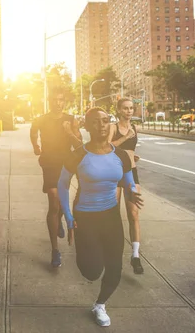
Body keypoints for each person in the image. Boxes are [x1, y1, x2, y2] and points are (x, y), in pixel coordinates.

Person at [58, 107, 143, 327]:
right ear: (87, 126)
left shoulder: (121, 155)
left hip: (111, 215)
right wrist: (68, 218)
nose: (102, 126)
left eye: (106, 121)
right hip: (85, 217)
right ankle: (88, 257)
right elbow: (62, 185)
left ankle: (100, 304)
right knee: (92, 271)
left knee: (115, 267)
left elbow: (127, 180)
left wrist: (132, 191)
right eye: (96, 122)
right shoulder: (78, 154)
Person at [30, 89, 82, 268]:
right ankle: (55, 250)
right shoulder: (42, 119)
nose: (57, 103)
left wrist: (69, 131)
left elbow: (79, 143)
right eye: (55, 99)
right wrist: (36, 146)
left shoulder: (71, 119)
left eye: (61, 100)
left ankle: (59, 218)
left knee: (60, 203)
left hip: (66, 164)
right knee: (54, 200)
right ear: (50, 101)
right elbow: (33, 131)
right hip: (50, 163)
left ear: (64, 102)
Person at [108, 97, 144, 274]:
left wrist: (132, 156)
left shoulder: (134, 128)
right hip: (114, 173)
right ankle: (111, 252)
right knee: (112, 214)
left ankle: (135, 256)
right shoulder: (113, 128)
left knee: (133, 213)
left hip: (131, 172)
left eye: (131, 108)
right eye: (126, 108)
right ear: (119, 110)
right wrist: (125, 139)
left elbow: (130, 149)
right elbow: (106, 147)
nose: (129, 111)